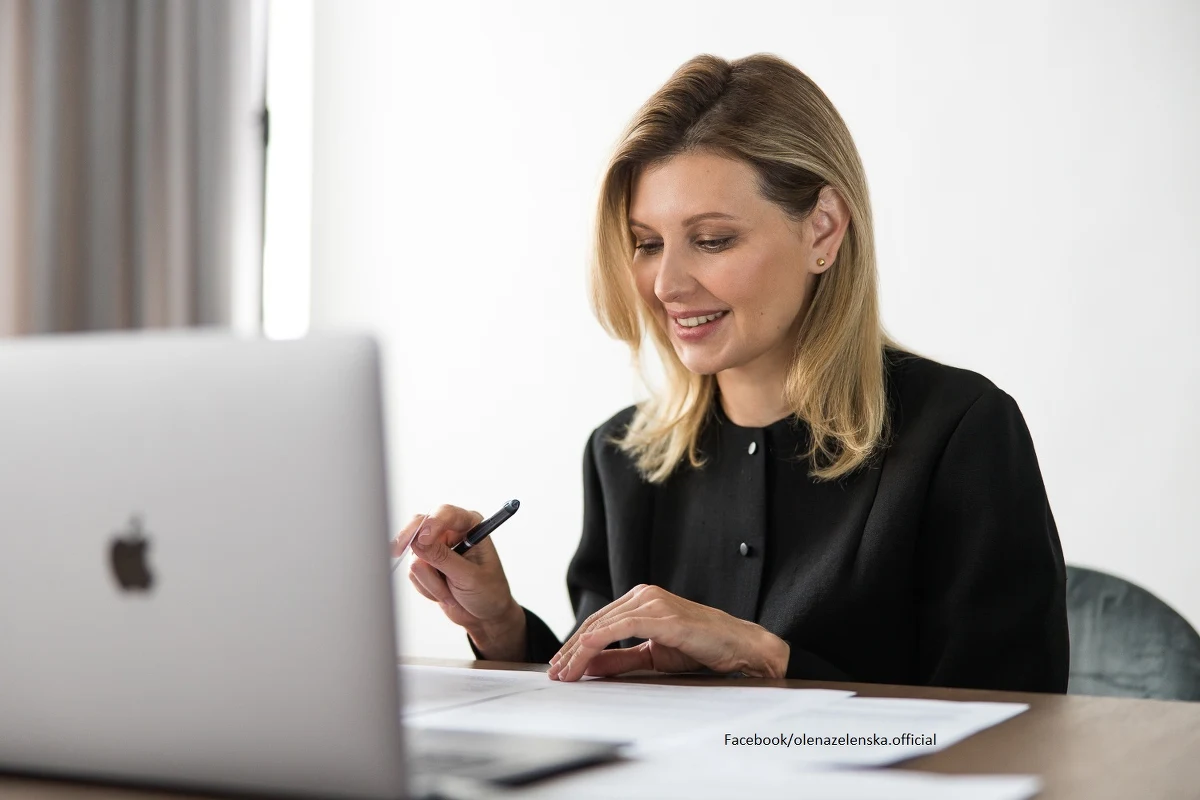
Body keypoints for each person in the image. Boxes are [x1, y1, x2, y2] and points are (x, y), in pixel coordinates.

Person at [400, 52, 1069, 693]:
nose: (666, 284)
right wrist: (499, 624)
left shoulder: (959, 433)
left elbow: (1013, 726)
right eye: (647, 244)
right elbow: (600, 698)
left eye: (713, 240)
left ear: (824, 231)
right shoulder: (622, 458)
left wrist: (768, 658)